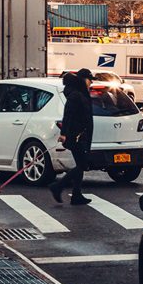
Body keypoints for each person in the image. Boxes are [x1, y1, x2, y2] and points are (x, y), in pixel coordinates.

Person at [49, 69, 93, 205]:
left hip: (79, 135)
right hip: (76, 136)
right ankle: (58, 186)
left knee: (80, 164)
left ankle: (76, 195)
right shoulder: (76, 95)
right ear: (83, 79)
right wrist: (64, 134)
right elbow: (68, 115)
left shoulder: (78, 93)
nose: (91, 82)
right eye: (90, 79)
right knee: (82, 165)